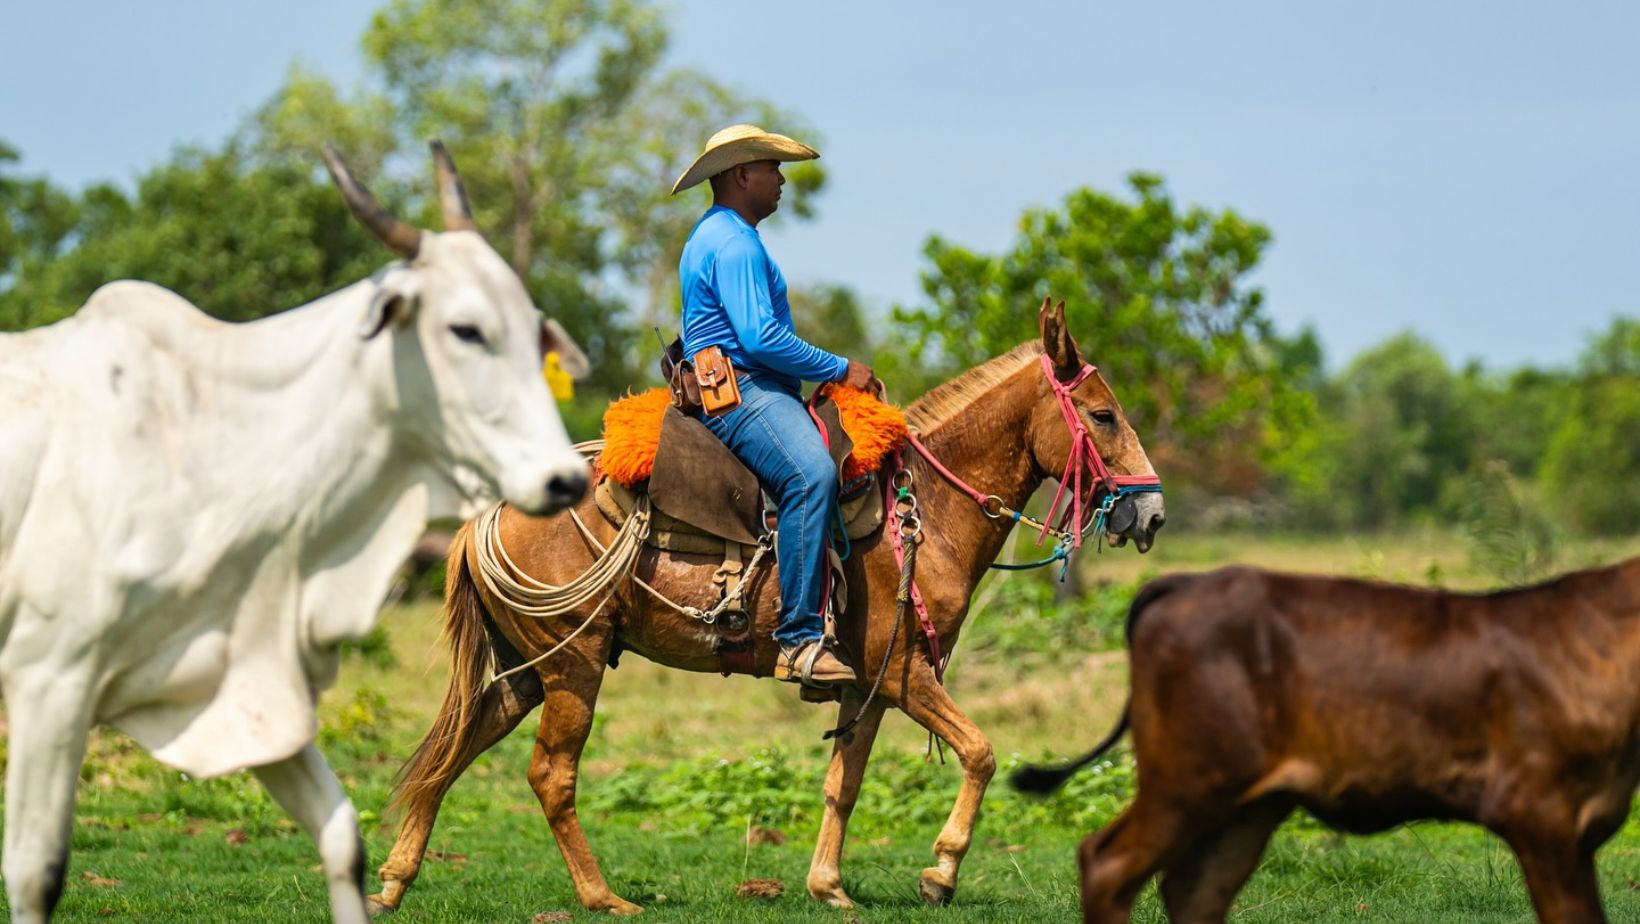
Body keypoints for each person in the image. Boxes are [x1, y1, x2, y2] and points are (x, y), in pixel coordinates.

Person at [672, 124, 874, 687]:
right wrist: (841, 368)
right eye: (772, 168)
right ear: (742, 175)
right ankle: (801, 641)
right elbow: (761, 340)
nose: (781, 180)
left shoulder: (711, 234)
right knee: (811, 475)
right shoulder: (735, 242)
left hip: (744, 385)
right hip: (745, 392)